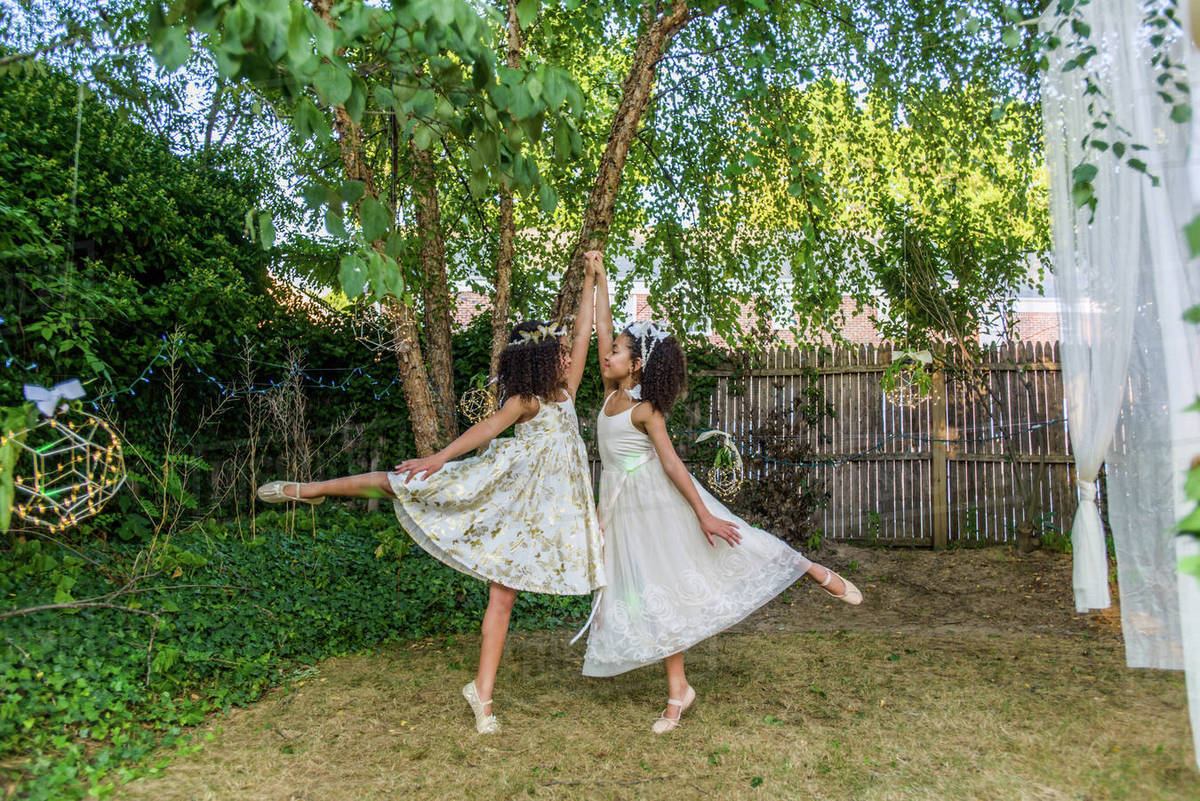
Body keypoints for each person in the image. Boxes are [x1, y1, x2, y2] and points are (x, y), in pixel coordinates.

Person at [257, 252, 608, 735]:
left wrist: (592, 279)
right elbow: (486, 428)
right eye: (561, 350)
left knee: (503, 596)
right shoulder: (523, 401)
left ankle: (479, 692)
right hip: (502, 488)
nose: (570, 354)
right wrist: (438, 458)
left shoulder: (566, 390)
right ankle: (309, 488)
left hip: (534, 511)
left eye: (568, 349)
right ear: (541, 359)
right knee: (404, 482)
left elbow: (587, 331)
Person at [582, 259, 862, 733]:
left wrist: (703, 516)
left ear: (636, 365)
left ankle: (808, 567)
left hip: (658, 502)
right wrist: (600, 282)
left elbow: (672, 463)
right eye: (609, 350)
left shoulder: (644, 408)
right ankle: (679, 692)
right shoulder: (612, 390)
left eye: (617, 352)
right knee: (657, 591)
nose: (606, 353)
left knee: (736, 541)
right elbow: (603, 328)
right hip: (622, 507)